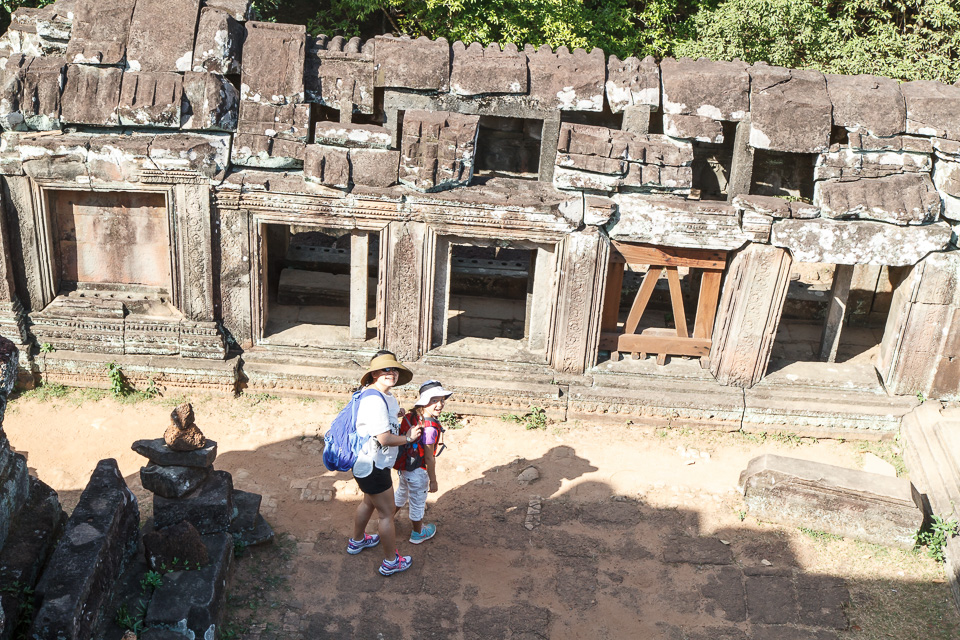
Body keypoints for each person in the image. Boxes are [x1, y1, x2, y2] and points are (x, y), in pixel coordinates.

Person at [347, 350, 420, 576]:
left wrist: (394, 415)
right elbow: (385, 438)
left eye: (394, 369)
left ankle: (357, 540)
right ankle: (390, 561)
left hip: (368, 464)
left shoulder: (382, 395)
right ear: (374, 373)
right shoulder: (374, 400)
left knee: (368, 502)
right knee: (387, 514)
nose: (392, 373)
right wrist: (409, 438)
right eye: (386, 369)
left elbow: (377, 424)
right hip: (374, 467)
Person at [393, 380, 453, 544]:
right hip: (418, 471)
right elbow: (428, 458)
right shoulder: (430, 428)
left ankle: (387, 518)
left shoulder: (411, 416)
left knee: (402, 492)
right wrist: (433, 480)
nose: (439, 405)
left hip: (405, 466)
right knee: (417, 501)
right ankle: (418, 533)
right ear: (425, 402)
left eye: (441, 400)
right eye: (434, 400)